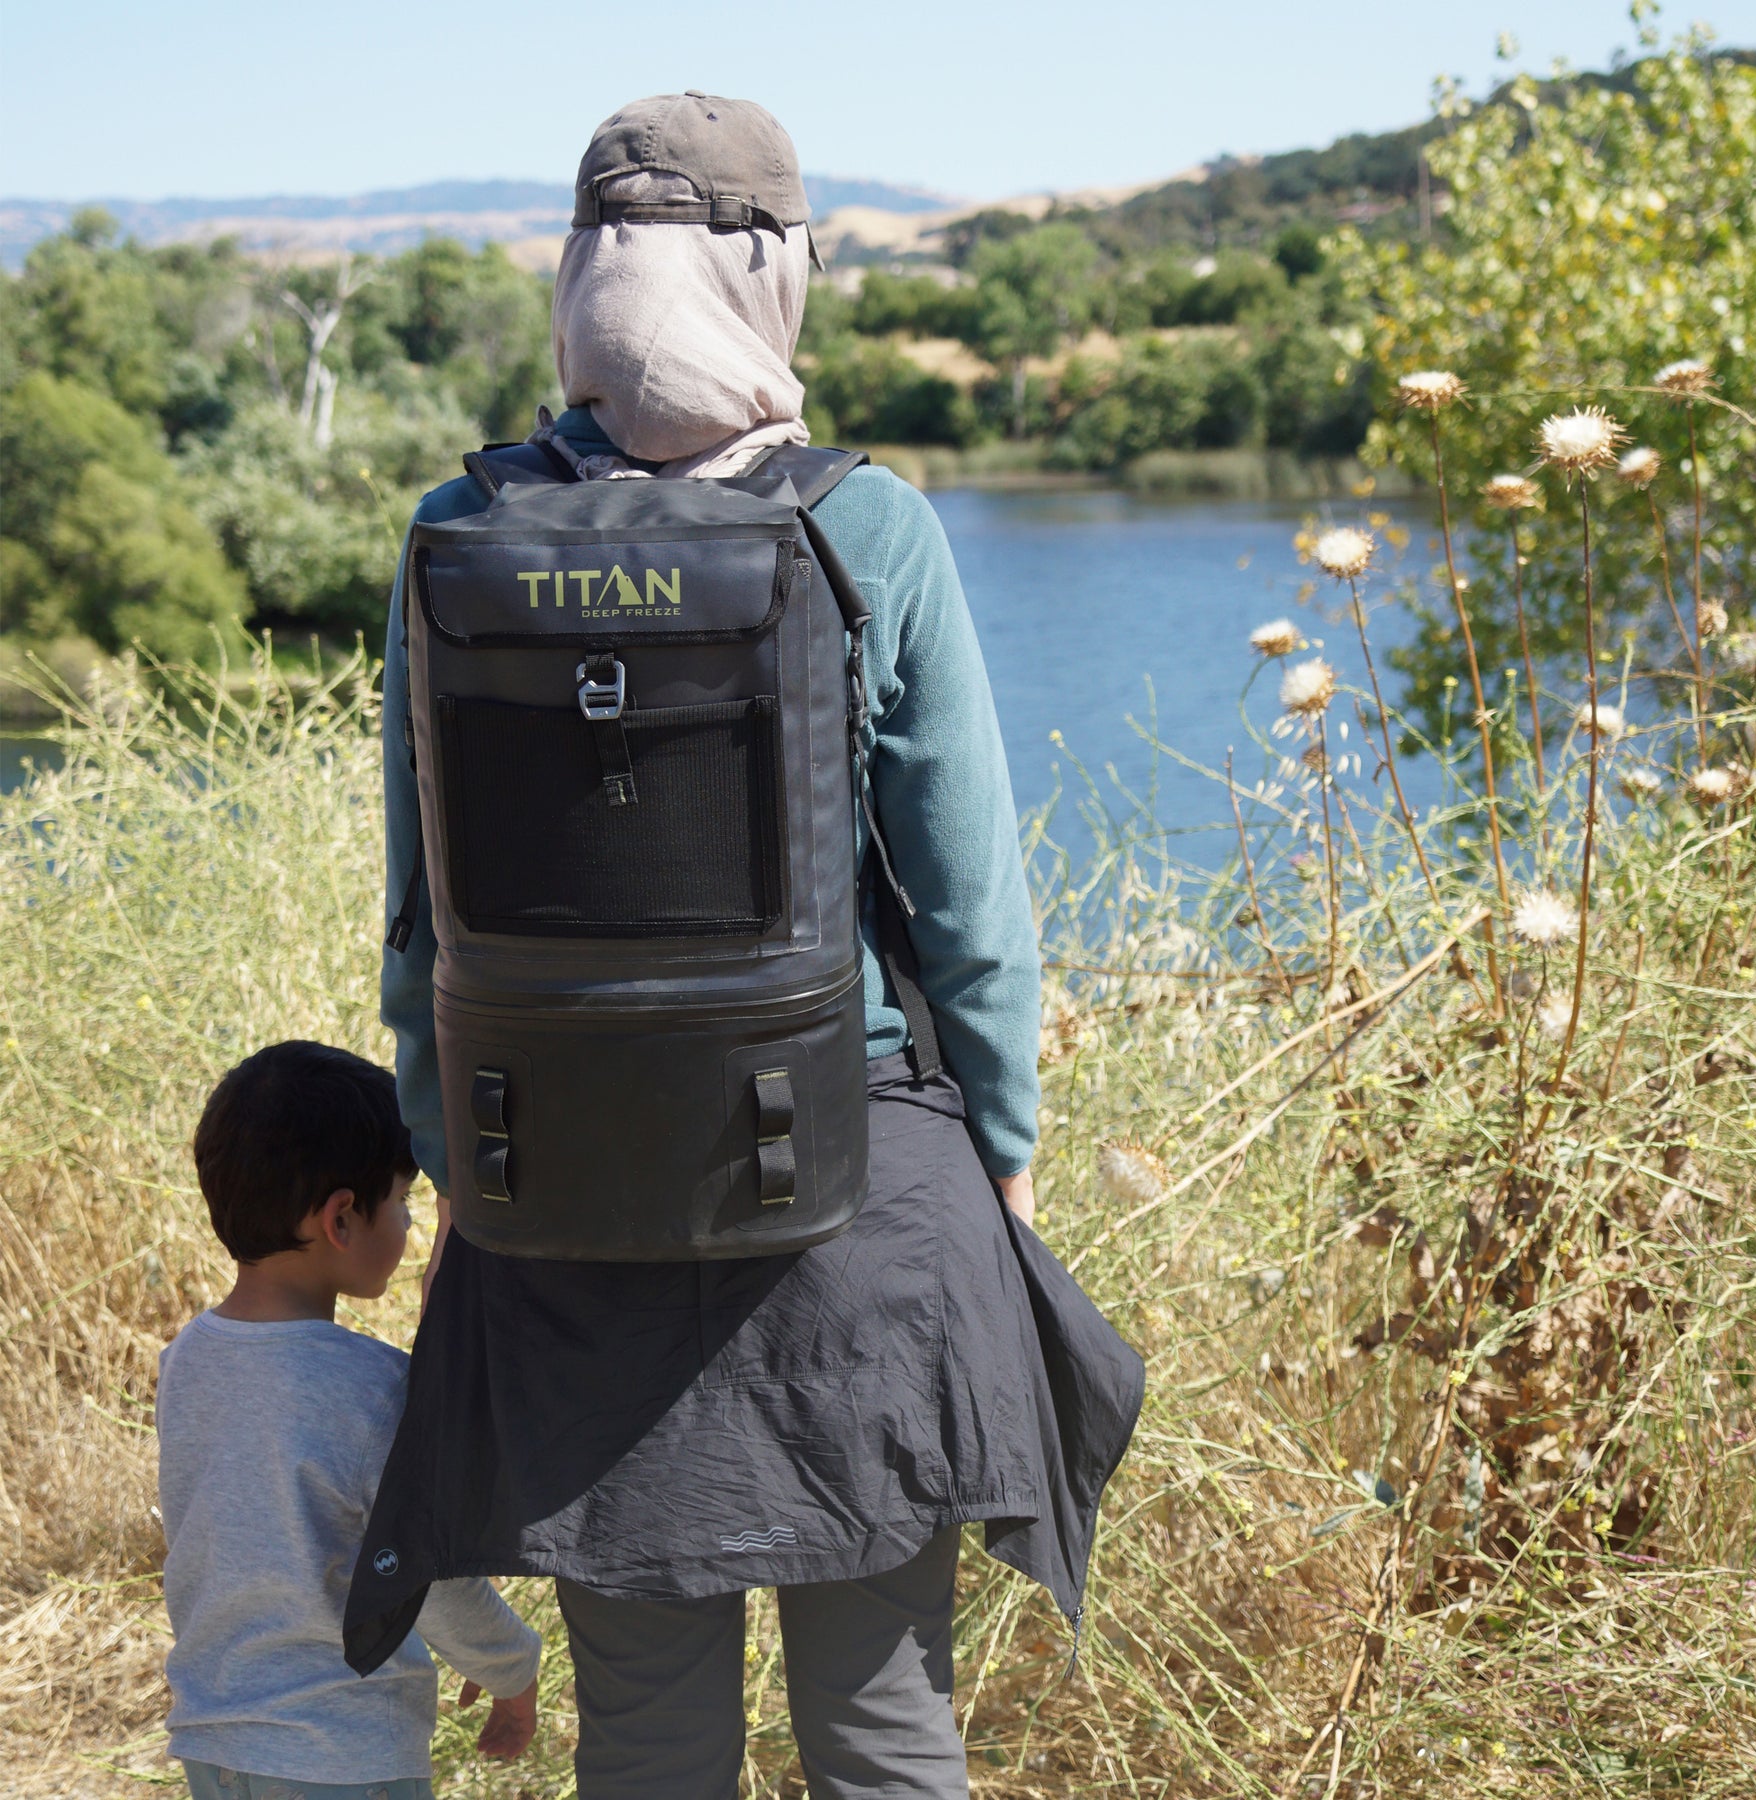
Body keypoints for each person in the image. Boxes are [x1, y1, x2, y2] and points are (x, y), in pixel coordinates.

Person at [349, 93, 1143, 1799]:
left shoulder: (452, 533)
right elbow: (971, 906)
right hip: (852, 1193)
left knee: (643, 1739)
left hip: (556, 1206)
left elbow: (424, 927)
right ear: (775, 273)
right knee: (883, 1729)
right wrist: (1001, 1155)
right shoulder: (868, 527)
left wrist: (454, 1167)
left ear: (578, 275)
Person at [157, 1040, 541, 1799]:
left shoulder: (187, 1362)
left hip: (214, 1743)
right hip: (339, 1754)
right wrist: (512, 1666)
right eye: (401, 1202)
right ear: (341, 1219)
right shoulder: (372, 1389)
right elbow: (422, 1575)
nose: (405, 1222)